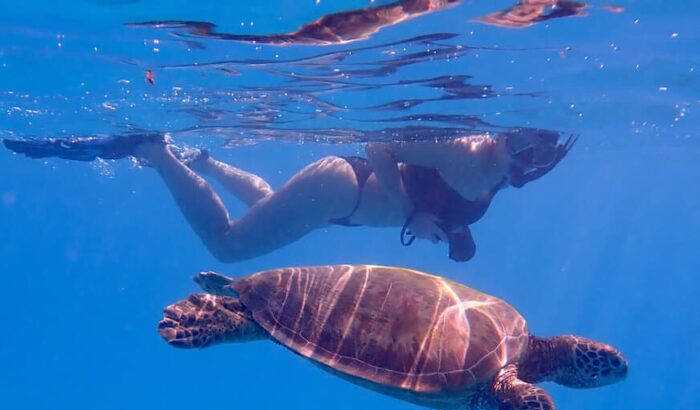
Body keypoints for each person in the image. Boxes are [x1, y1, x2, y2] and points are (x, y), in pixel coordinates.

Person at [3, 129, 575, 262]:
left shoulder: (493, 178)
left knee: (268, 205)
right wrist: (413, 210)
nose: (504, 147)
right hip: (343, 188)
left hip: (337, 202)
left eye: (519, 150)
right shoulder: (462, 151)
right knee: (227, 248)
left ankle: (205, 162)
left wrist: (446, 225)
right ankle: (156, 153)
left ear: (529, 170)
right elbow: (379, 147)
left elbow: (450, 204)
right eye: (510, 139)